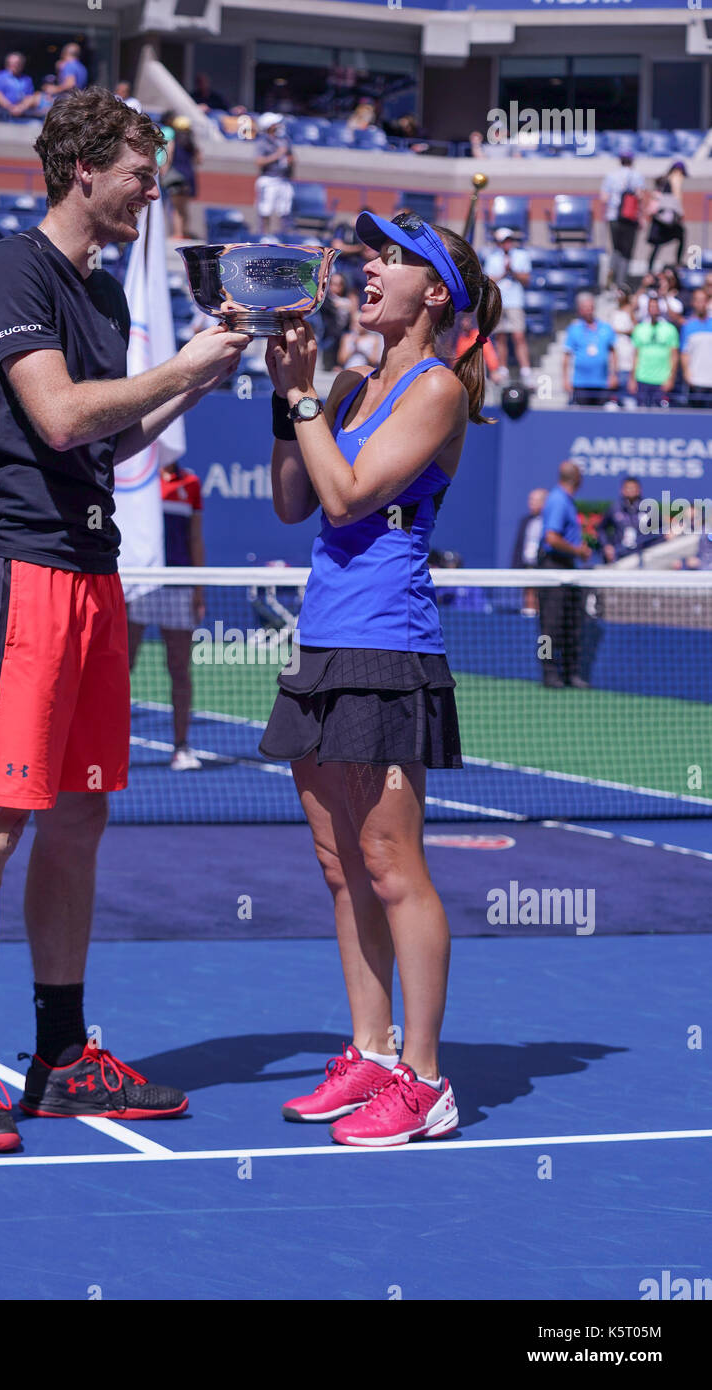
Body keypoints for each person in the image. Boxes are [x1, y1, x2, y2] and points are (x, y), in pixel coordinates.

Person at [0, 86, 250, 1152]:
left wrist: (200, 379)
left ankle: (63, 1057)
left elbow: (104, 444)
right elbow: (60, 412)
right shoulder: (10, 267)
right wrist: (178, 366)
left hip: (89, 570)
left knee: (79, 817)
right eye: (137, 172)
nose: (149, 190)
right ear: (82, 170)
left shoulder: (105, 297)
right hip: (9, 572)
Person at [258, 209, 501, 1146]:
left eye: (391, 260)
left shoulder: (436, 390)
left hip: (389, 650)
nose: (368, 267)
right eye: (368, 254)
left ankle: (426, 1079)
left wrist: (309, 403)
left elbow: (348, 496)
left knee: (395, 867)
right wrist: (293, 394)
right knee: (337, 865)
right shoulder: (354, 382)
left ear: (432, 293)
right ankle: (368, 1052)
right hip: (322, 642)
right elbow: (291, 500)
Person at [126, 460, 206, 770]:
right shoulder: (137, 478)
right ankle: (111, 741)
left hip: (178, 586)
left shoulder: (190, 483)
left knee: (178, 667)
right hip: (140, 584)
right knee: (123, 666)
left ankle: (181, 747)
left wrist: (199, 589)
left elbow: (195, 538)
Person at [536, 461, 591, 689]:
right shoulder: (558, 500)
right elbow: (551, 538)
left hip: (566, 568)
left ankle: (569, 673)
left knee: (570, 621)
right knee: (549, 626)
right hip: (553, 566)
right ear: (577, 478)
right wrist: (579, 550)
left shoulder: (564, 500)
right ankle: (549, 672)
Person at [484, 228, 534, 386]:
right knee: (500, 337)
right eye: (504, 240)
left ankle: (526, 370)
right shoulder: (492, 258)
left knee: (519, 336)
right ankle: (503, 368)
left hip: (515, 301)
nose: (507, 243)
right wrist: (504, 273)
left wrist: (512, 271)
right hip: (499, 302)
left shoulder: (522, 256)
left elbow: (526, 279)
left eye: (509, 240)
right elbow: (489, 281)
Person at [563, 292, 617, 406]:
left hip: (601, 382)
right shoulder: (574, 329)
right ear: (580, 310)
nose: (588, 311)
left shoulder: (606, 328)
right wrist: (565, 379)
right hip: (581, 382)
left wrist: (613, 375)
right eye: (585, 308)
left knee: (601, 418)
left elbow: (613, 353)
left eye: (590, 307)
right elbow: (566, 356)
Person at [600, 151, 644, 291]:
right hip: (629, 218)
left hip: (613, 217)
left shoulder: (611, 176)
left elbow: (604, 198)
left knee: (616, 248)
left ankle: (612, 270)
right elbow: (640, 197)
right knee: (627, 251)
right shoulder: (636, 176)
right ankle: (621, 282)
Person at [629, 294, 679, 408]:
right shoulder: (639, 329)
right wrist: (632, 378)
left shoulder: (670, 329)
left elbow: (674, 356)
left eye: (655, 307)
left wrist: (671, 378)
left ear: (660, 309)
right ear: (647, 309)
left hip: (662, 379)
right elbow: (635, 355)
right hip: (642, 378)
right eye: (651, 306)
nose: (653, 309)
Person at [597, 475, 658, 565]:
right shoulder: (615, 508)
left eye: (633, 488)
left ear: (639, 490)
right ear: (622, 490)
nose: (631, 491)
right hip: (619, 556)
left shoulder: (648, 509)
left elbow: (660, 531)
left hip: (643, 557)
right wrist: (607, 546)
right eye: (628, 488)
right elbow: (601, 529)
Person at [159, 115, 199, 239]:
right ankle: (184, 231)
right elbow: (198, 159)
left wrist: (163, 171)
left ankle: (178, 233)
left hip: (176, 177)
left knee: (176, 208)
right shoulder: (191, 144)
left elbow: (168, 155)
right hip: (189, 177)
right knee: (184, 207)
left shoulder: (174, 141)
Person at [511, 487, 549, 615]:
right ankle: (529, 617)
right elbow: (519, 545)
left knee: (540, 594)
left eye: (534, 500)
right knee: (529, 592)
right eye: (530, 500)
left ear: (544, 503)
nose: (530, 503)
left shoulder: (549, 522)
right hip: (527, 564)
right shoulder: (525, 521)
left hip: (543, 566)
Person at [255, 113, 293, 237]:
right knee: (265, 210)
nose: (279, 125)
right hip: (269, 179)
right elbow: (260, 161)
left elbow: (291, 156)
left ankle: (284, 236)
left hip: (283, 179)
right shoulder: (263, 142)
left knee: (285, 210)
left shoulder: (284, 139)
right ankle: (264, 236)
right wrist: (277, 154)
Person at [645, 162, 686, 273]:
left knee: (657, 245)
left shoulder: (662, 181)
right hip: (666, 218)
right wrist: (680, 212)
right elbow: (677, 199)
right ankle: (677, 263)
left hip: (659, 218)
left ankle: (649, 270)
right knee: (680, 234)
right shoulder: (674, 178)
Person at [680, 287, 712, 408]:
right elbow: (684, 352)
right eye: (697, 300)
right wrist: (687, 372)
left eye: (703, 300)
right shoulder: (688, 326)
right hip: (696, 380)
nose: (700, 304)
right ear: (693, 303)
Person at [0, 52, 39, 119]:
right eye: (10, 63)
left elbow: (29, 97)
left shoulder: (27, 79)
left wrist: (20, 108)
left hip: (21, 113)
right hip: (2, 112)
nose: (13, 65)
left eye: (16, 63)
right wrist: (10, 107)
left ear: (22, 64)